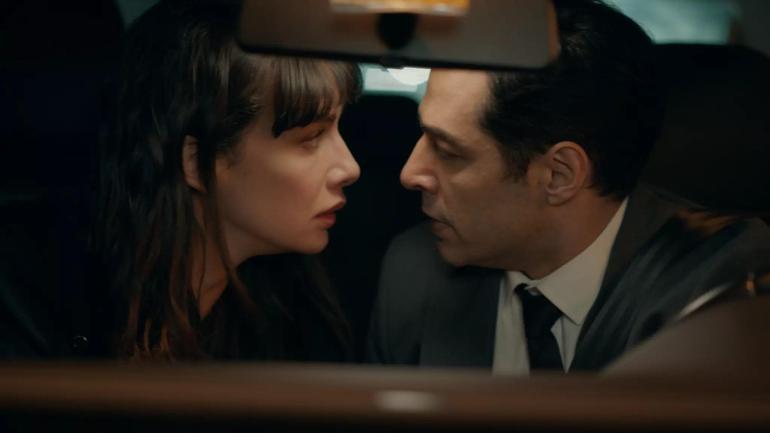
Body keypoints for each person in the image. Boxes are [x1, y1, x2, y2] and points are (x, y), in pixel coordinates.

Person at [366, 0, 770, 373]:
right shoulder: (415, 274)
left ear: (559, 175)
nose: (409, 173)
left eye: (448, 151)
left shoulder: (728, 286)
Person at [91, 0, 361, 361]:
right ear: (195, 163)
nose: (350, 167)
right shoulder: (48, 312)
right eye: (311, 139)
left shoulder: (302, 321)